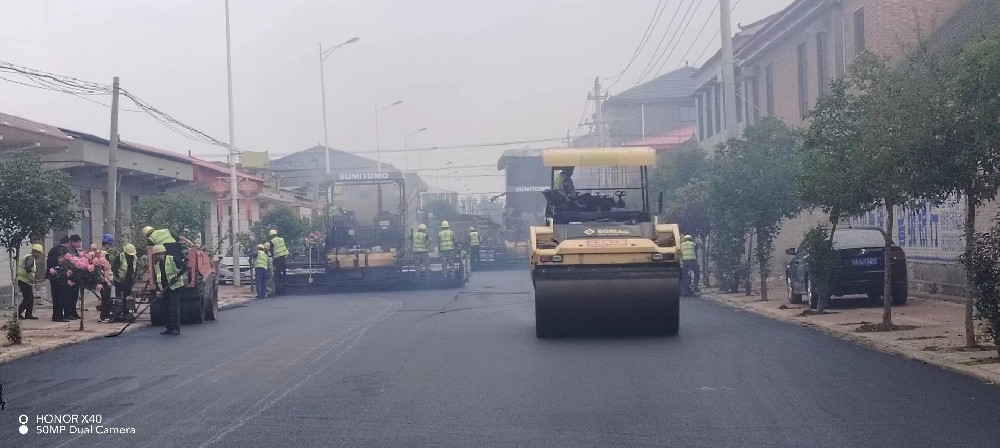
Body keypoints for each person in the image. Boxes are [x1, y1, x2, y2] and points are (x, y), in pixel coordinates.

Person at [151, 244, 184, 336]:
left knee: (174, 308)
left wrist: (176, 276)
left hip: (175, 287)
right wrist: (159, 289)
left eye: (156, 255)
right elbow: (158, 278)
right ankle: (169, 328)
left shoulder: (172, 259)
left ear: (161, 253)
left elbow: (184, 267)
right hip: (165, 289)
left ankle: (176, 329)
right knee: (167, 309)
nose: (156, 257)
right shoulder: (157, 265)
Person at [46, 237, 71, 322]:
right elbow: (65, 264)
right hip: (61, 277)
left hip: (52, 276)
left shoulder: (52, 250)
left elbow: (48, 262)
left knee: (55, 297)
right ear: (67, 243)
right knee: (61, 297)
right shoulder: (64, 251)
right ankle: (60, 316)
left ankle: (55, 315)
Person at [16, 244, 45, 320]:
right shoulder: (30, 258)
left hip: (24, 280)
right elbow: (28, 267)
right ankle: (18, 313)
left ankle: (27, 314)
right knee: (28, 298)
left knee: (29, 298)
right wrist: (30, 277)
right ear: (36, 252)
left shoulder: (29, 257)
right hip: (24, 280)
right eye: (39, 253)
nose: (39, 256)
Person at [65, 234, 83, 320]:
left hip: (76, 276)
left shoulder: (75, 250)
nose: (79, 244)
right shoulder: (67, 250)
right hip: (70, 276)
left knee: (75, 295)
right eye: (77, 242)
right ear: (72, 242)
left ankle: (73, 312)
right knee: (69, 296)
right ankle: (68, 313)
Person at [99, 234, 116, 323]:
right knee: (106, 299)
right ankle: (104, 317)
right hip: (105, 279)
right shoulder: (105, 254)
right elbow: (106, 269)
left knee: (105, 299)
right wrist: (108, 280)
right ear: (108, 244)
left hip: (102, 278)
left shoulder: (98, 253)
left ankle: (104, 316)